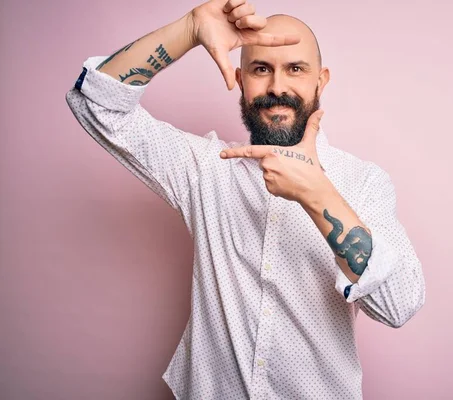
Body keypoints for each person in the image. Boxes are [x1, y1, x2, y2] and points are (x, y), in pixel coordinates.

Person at [65, 0, 426, 398]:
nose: (276, 87)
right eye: (261, 69)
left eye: (295, 69)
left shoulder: (363, 182)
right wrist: (189, 28)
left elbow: (397, 305)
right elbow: (95, 102)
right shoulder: (205, 170)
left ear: (321, 81)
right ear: (240, 78)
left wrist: (316, 194)